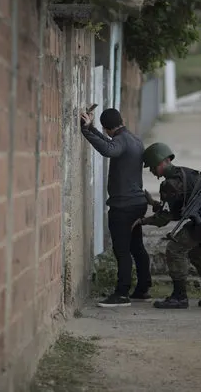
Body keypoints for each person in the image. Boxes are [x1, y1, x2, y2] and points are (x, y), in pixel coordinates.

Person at [137, 142, 201, 310]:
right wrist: (154, 203)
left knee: (174, 248)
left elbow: (165, 218)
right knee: (196, 252)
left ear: (160, 162)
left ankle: (179, 297)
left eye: (151, 167)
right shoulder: (183, 173)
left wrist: (143, 221)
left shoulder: (170, 184)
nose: (152, 172)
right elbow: (176, 211)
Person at [80, 108, 152, 308]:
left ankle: (122, 293)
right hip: (138, 203)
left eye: (104, 130)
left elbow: (109, 149)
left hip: (123, 206)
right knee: (137, 247)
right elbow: (111, 143)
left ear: (107, 128)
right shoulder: (135, 139)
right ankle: (143, 288)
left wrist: (86, 131)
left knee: (122, 250)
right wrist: (91, 128)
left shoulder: (120, 141)